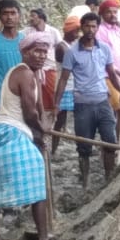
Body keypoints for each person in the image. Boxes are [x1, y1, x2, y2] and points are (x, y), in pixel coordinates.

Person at [0, 33, 51, 240]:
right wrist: (42, 132)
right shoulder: (25, 74)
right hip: (11, 131)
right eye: (37, 51)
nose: (42, 55)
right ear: (25, 52)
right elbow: (30, 112)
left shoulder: (20, 72)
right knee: (38, 178)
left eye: (44, 51)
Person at [53, 13, 120, 189]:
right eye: (87, 26)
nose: (90, 30)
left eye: (94, 26)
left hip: (102, 102)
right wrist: (56, 104)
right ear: (81, 27)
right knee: (84, 146)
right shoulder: (72, 53)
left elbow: (112, 74)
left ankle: (109, 179)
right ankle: (85, 182)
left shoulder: (105, 49)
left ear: (97, 28)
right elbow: (63, 79)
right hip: (82, 105)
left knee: (110, 142)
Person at [50, 16, 81, 158]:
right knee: (60, 120)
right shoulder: (62, 47)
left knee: (77, 119)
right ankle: (54, 150)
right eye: (76, 30)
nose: (78, 33)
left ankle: (78, 147)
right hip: (65, 86)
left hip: (72, 85)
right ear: (69, 31)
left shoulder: (70, 45)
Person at [95, 0, 120, 126]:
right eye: (109, 12)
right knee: (114, 109)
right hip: (109, 76)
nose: (113, 14)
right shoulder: (100, 31)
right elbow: (101, 57)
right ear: (102, 14)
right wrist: (118, 71)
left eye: (115, 12)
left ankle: (116, 142)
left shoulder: (117, 30)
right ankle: (110, 143)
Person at [25, 8, 62, 115]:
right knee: (35, 96)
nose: (30, 18)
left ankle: (51, 121)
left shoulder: (53, 31)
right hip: (33, 69)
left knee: (51, 97)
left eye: (33, 16)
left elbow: (60, 47)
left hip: (50, 69)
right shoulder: (28, 31)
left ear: (41, 18)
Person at [0, 0, 25, 102]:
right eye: (5, 13)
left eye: (13, 13)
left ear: (19, 15)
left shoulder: (25, 40)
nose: (9, 17)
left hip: (21, 98)